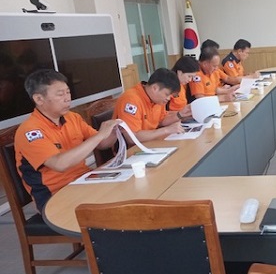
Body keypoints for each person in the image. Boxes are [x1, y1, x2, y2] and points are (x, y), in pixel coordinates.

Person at [14, 69, 119, 211]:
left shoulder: (72, 117)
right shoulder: (30, 131)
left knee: (125, 192)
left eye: (68, 92)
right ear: (39, 99)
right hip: (55, 195)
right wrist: (100, 135)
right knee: (112, 211)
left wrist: (116, 132)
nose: (67, 98)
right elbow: (60, 164)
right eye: (60, 94)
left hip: (84, 181)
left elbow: (102, 144)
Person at [113, 67, 187, 143]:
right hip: (132, 147)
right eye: (167, 94)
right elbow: (132, 137)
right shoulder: (131, 100)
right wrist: (166, 130)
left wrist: (181, 114)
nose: (169, 98)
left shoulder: (158, 99)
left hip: (150, 142)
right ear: (155, 88)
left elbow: (162, 120)